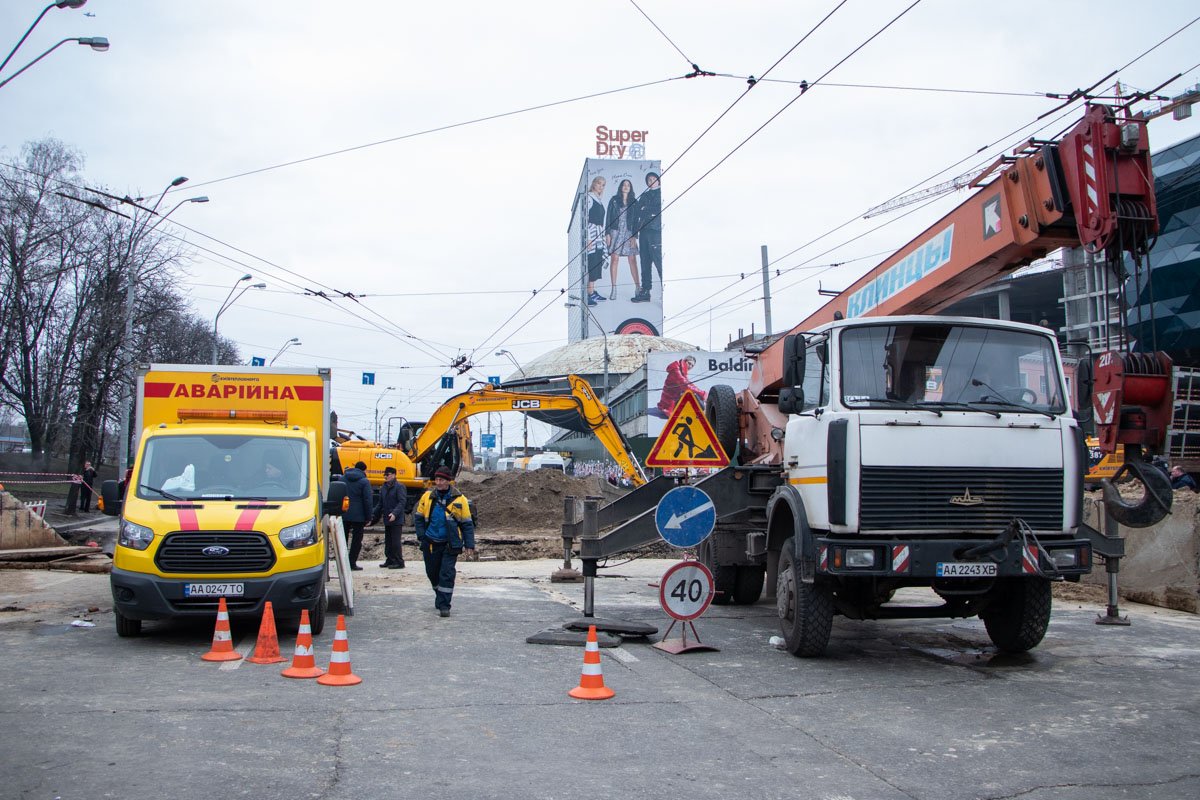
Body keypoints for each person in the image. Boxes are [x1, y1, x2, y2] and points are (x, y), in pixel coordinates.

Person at [414, 466, 476, 617]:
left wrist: (469, 545)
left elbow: (467, 524)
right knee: (432, 573)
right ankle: (439, 594)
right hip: (430, 543)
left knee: (446, 574)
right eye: (437, 479)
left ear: (449, 481)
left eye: (441, 480)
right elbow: (419, 518)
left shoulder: (460, 500)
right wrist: (422, 536)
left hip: (450, 545)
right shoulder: (427, 497)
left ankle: (444, 605)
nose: (438, 482)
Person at [605, 178, 640, 300]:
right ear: (621, 187)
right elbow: (608, 217)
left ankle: (638, 287)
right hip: (615, 231)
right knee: (614, 258)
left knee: (632, 260)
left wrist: (635, 236)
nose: (626, 186)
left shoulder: (634, 202)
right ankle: (614, 288)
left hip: (629, 232)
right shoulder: (614, 200)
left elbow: (636, 221)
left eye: (628, 185)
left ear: (630, 188)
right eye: (624, 185)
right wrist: (607, 233)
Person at [632, 171, 661, 303]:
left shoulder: (662, 193)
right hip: (643, 231)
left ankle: (665, 290)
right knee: (644, 262)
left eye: (653, 178)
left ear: (658, 180)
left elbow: (657, 209)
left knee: (658, 261)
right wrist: (645, 210)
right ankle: (645, 291)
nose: (651, 181)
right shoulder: (644, 195)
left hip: (655, 231)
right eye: (649, 180)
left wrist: (646, 209)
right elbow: (638, 211)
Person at [371, 466, 408, 568]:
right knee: (388, 541)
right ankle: (390, 559)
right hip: (387, 518)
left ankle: (399, 561)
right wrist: (372, 514)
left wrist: (395, 513)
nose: (386, 477)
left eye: (388, 475)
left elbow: (402, 502)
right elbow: (380, 504)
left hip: (396, 519)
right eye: (385, 475)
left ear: (394, 475)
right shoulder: (384, 488)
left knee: (395, 541)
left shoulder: (399, 487)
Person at [341, 460, 373, 571]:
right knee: (356, 540)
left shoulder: (343, 478)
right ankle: (352, 563)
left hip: (344, 514)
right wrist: (369, 517)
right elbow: (367, 500)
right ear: (364, 470)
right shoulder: (364, 481)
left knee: (342, 539)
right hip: (359, 517)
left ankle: (342, 563)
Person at [584, 176, 607, 306]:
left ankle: (592, 292)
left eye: (603, 185)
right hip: (591, 234)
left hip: (599, 235)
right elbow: (585, 217)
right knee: (591, 263)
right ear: (594, 184)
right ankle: (588, 294)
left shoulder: (598, 199)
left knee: (596, 262)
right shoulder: (589, 198)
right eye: (599, 183)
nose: (600, 186)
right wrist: (587, 237)